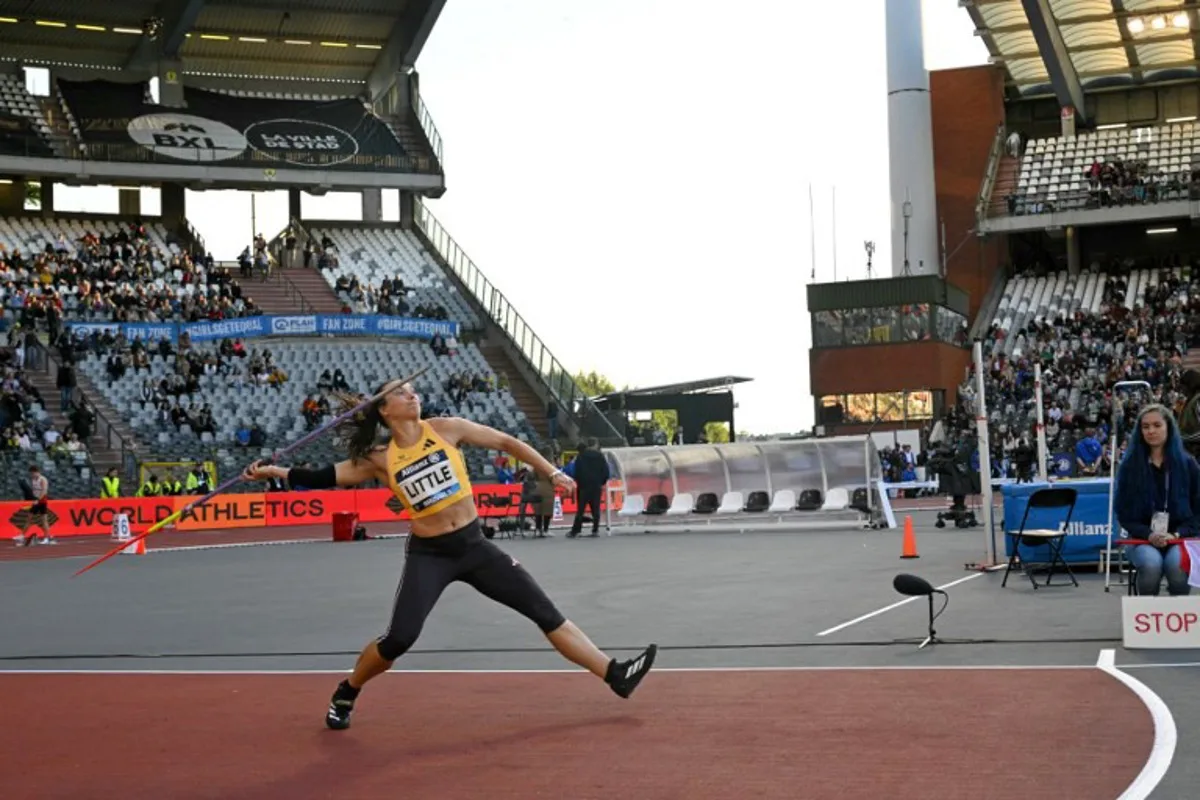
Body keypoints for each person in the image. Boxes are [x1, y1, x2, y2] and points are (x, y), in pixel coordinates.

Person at [242, 380, 657, 731]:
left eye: (412, 391)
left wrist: (552, 471)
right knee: (398, 640)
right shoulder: (380, 459)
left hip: (474, 546)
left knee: (544, 612)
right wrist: (273, 472)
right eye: (401, 394)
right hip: (431, 554)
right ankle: (348, 689)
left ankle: (614, 674)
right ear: (385, 411)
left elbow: (506, 441)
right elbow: (321, 477)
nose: (412, 396)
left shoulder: (445, 429)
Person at [1114, 404, 1200, 597]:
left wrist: (1177, 534)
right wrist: (1149, 534)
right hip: (1141, 538)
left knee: (1177, 567)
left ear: (1168, 428)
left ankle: (1178, 620)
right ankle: (1147, 621)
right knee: (1151, 565)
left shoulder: (1188, 465)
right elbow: (1124, 514)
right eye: (1145, 427)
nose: (1151, 431)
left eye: (1156, 425)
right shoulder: (1130, 467)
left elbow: (1198, 511)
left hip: (1180, 538)